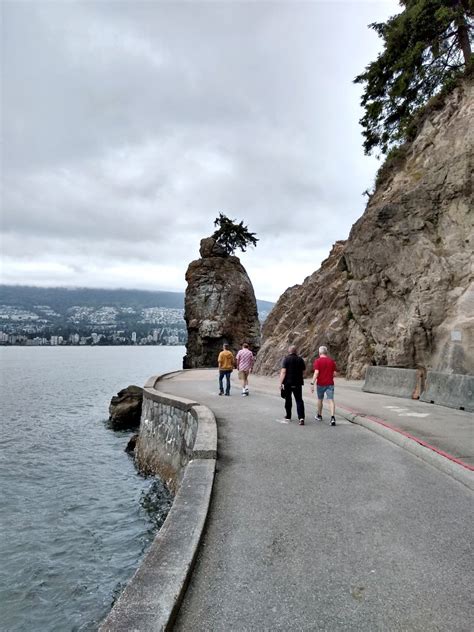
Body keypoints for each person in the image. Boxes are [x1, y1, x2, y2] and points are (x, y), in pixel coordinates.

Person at [311, 345, 338, 426]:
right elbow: (335, 374)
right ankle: (332, 417)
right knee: (331, 400)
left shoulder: (317, 361)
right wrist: (329, 375)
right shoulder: (332, 361)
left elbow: (316, 373)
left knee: (320, 399)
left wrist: (312, 383)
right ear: (326, 353)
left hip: (320, 384)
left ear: (319, 353)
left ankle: (319, 415)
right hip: (330, 383)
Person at [279, 345, 306, 425]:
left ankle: (288, 416)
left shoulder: (286, 359)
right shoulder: (300, 359)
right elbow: (304, 371)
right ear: (296, 351)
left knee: (288, 399)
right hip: (298, 383)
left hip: (288, 383)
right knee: (299, 400)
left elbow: (283, 372)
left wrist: (280, 383)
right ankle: (301, 418)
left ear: (289, 351)